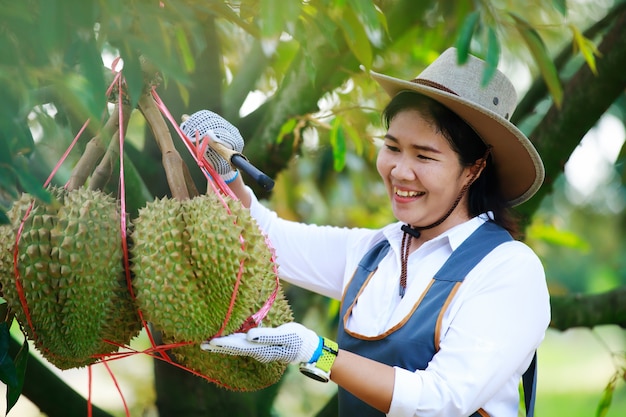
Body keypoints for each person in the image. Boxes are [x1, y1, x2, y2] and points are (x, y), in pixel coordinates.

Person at [180, 47, 550, 417]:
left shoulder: (509, 270)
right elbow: (264, 240)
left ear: (474, 169)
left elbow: (442, 401)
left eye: (424, 156)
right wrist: (223, 173)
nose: (400, 171)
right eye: (392, 147)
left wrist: (316, 352)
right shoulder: (376, 252)